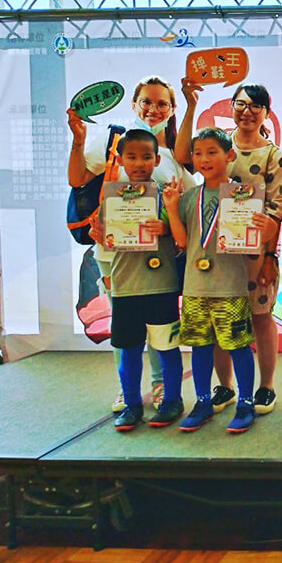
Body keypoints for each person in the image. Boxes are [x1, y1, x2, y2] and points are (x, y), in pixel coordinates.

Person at [67, 75, 195, 414]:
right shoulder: (112, 143)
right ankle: (128, 393)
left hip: (158, 264)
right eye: (147, 102)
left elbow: (189, 207)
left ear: (172, 109)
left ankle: (162, 386)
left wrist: (167, 226)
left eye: (162, 103)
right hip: (113, 257)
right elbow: (78, 179)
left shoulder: (171, 158)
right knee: (124, 331)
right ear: (134, 105)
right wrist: (78, 142)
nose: (153, 109)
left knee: (161, 330)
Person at [175, 81, 282, 417]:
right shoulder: (218, 144)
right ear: (231, 107)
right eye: (240, 104)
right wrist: (190, 105)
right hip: (216, 256)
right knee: (217, 323)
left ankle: (266, 386)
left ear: (266, 112)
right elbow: (182, 156)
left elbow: (277, 211)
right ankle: (225, 386)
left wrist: (270, 256)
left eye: (255, 106)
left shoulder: (273, 156)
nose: (247, 111)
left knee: (261, 318)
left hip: (256, 255)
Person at [163, 128, 258, 434]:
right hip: (194, 286)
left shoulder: (244, 196)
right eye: (198, 153)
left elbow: (253, 243)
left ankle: (245, 403)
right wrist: (171, 208)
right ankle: (203, 401)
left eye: (212, 152)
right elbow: (181, 241)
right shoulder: (190, 197)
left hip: (230, 285)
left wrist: (259, 228)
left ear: (229, 155)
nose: (204, 159)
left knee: (238, 347)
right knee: (200, 346)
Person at [92, 129, 184, 431]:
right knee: (129, 350)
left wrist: (166, 228)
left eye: (146, 157)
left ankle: (172, 400)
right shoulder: (112, 196)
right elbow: (105, 240)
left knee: (166, 348)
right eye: (131, 157)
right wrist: (99, 235)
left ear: (157, 160)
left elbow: (182, 237)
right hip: (125, 286)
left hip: (161, 285)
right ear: (120, 160)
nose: (139, 163)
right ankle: (131, 405)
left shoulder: (167, 196)